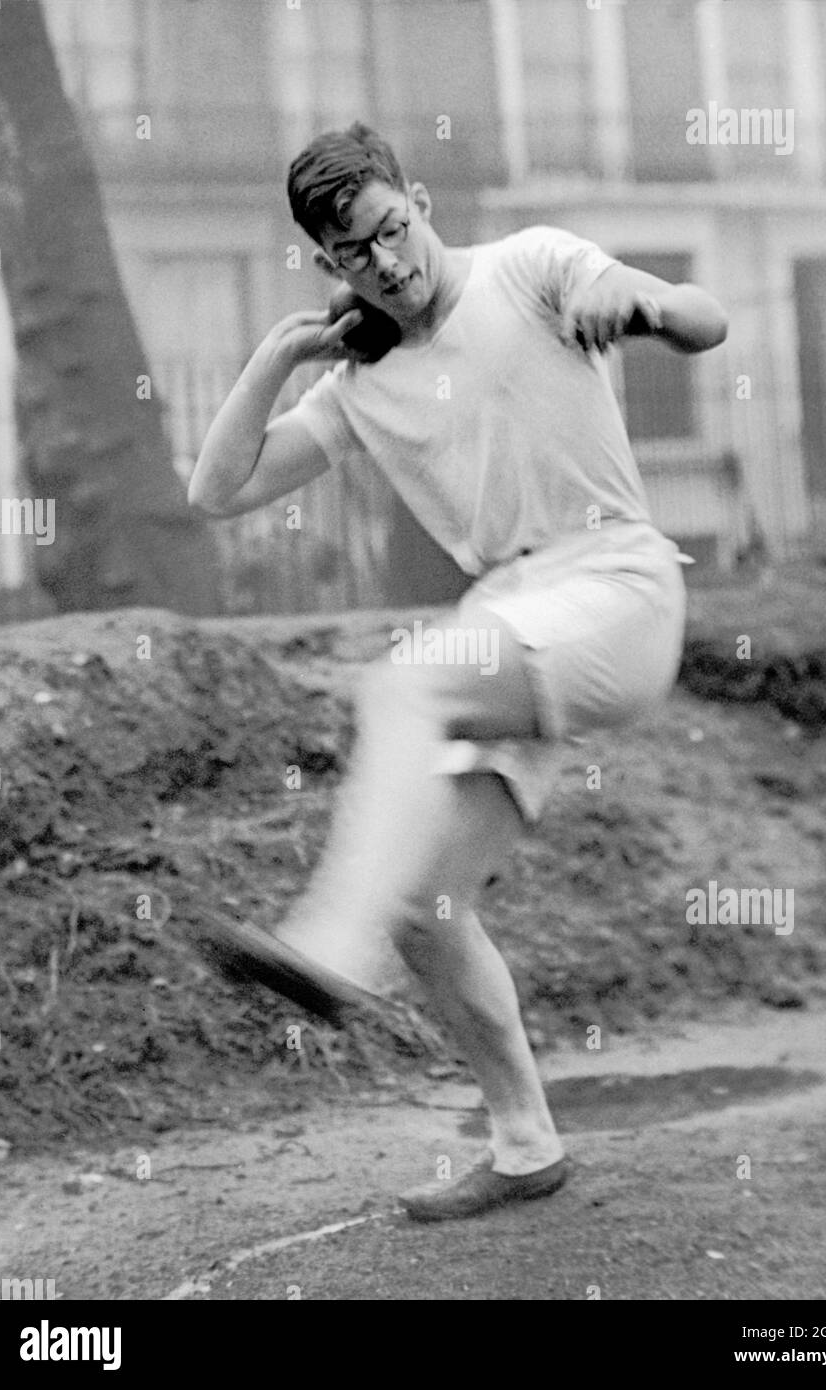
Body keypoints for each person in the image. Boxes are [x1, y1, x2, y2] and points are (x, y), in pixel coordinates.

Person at [188, 122, 727, 1222]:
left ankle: (323, 954)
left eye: (394, 230)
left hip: (616, 590)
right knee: (426, 903)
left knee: (404, 684)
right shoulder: (355, 384)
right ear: (330, 267)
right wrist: (279, 358)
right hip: (512, 621)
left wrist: (653, 309)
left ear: (421, 201)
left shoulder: (529, 267)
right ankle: (525, 1144)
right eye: (356, 254)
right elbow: (216, 492)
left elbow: (697, 314)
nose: (389, 263)